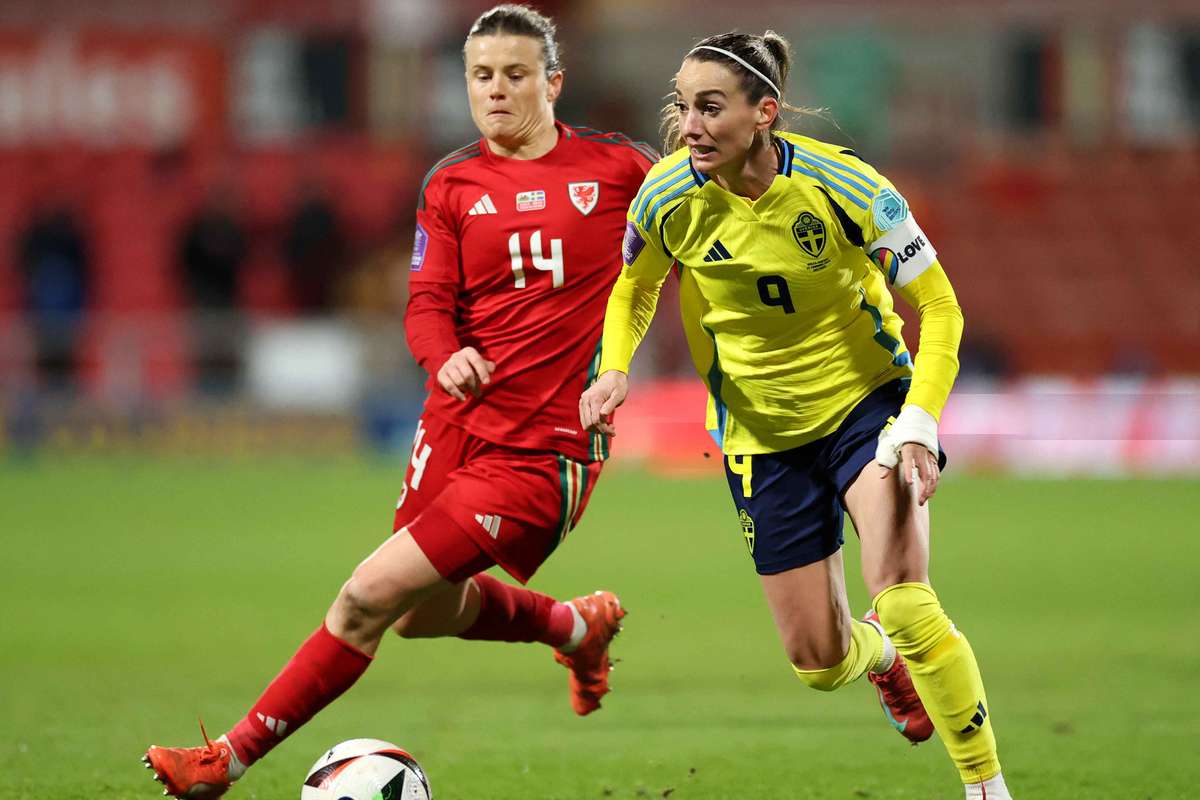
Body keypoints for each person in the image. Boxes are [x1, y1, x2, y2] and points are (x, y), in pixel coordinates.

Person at [143, 6, 656, 798]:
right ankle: (573, 625)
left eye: (515, 74)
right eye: (480, 75)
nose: (495, 90)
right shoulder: (450, 183)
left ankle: (222, 764)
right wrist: (445, 357)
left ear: (554, 83)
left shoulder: (622, 170)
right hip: (454, 425)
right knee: (419, 612)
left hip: (541, 450)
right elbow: (426, 302)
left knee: (364, 600)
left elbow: (703, 233)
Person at [580, 31, 1013, 800]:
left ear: (764, 113)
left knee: (905, 599)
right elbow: (635, 286)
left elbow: (940, 306)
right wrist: (615, 367)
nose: (689, 126)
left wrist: (918, 420)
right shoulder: (666, 197)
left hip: (866, 409)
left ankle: (986, 787)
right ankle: (881, 660)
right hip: (760, 436)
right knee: (819, 663)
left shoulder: (846, 188)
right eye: (683, 107)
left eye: (711, 108)